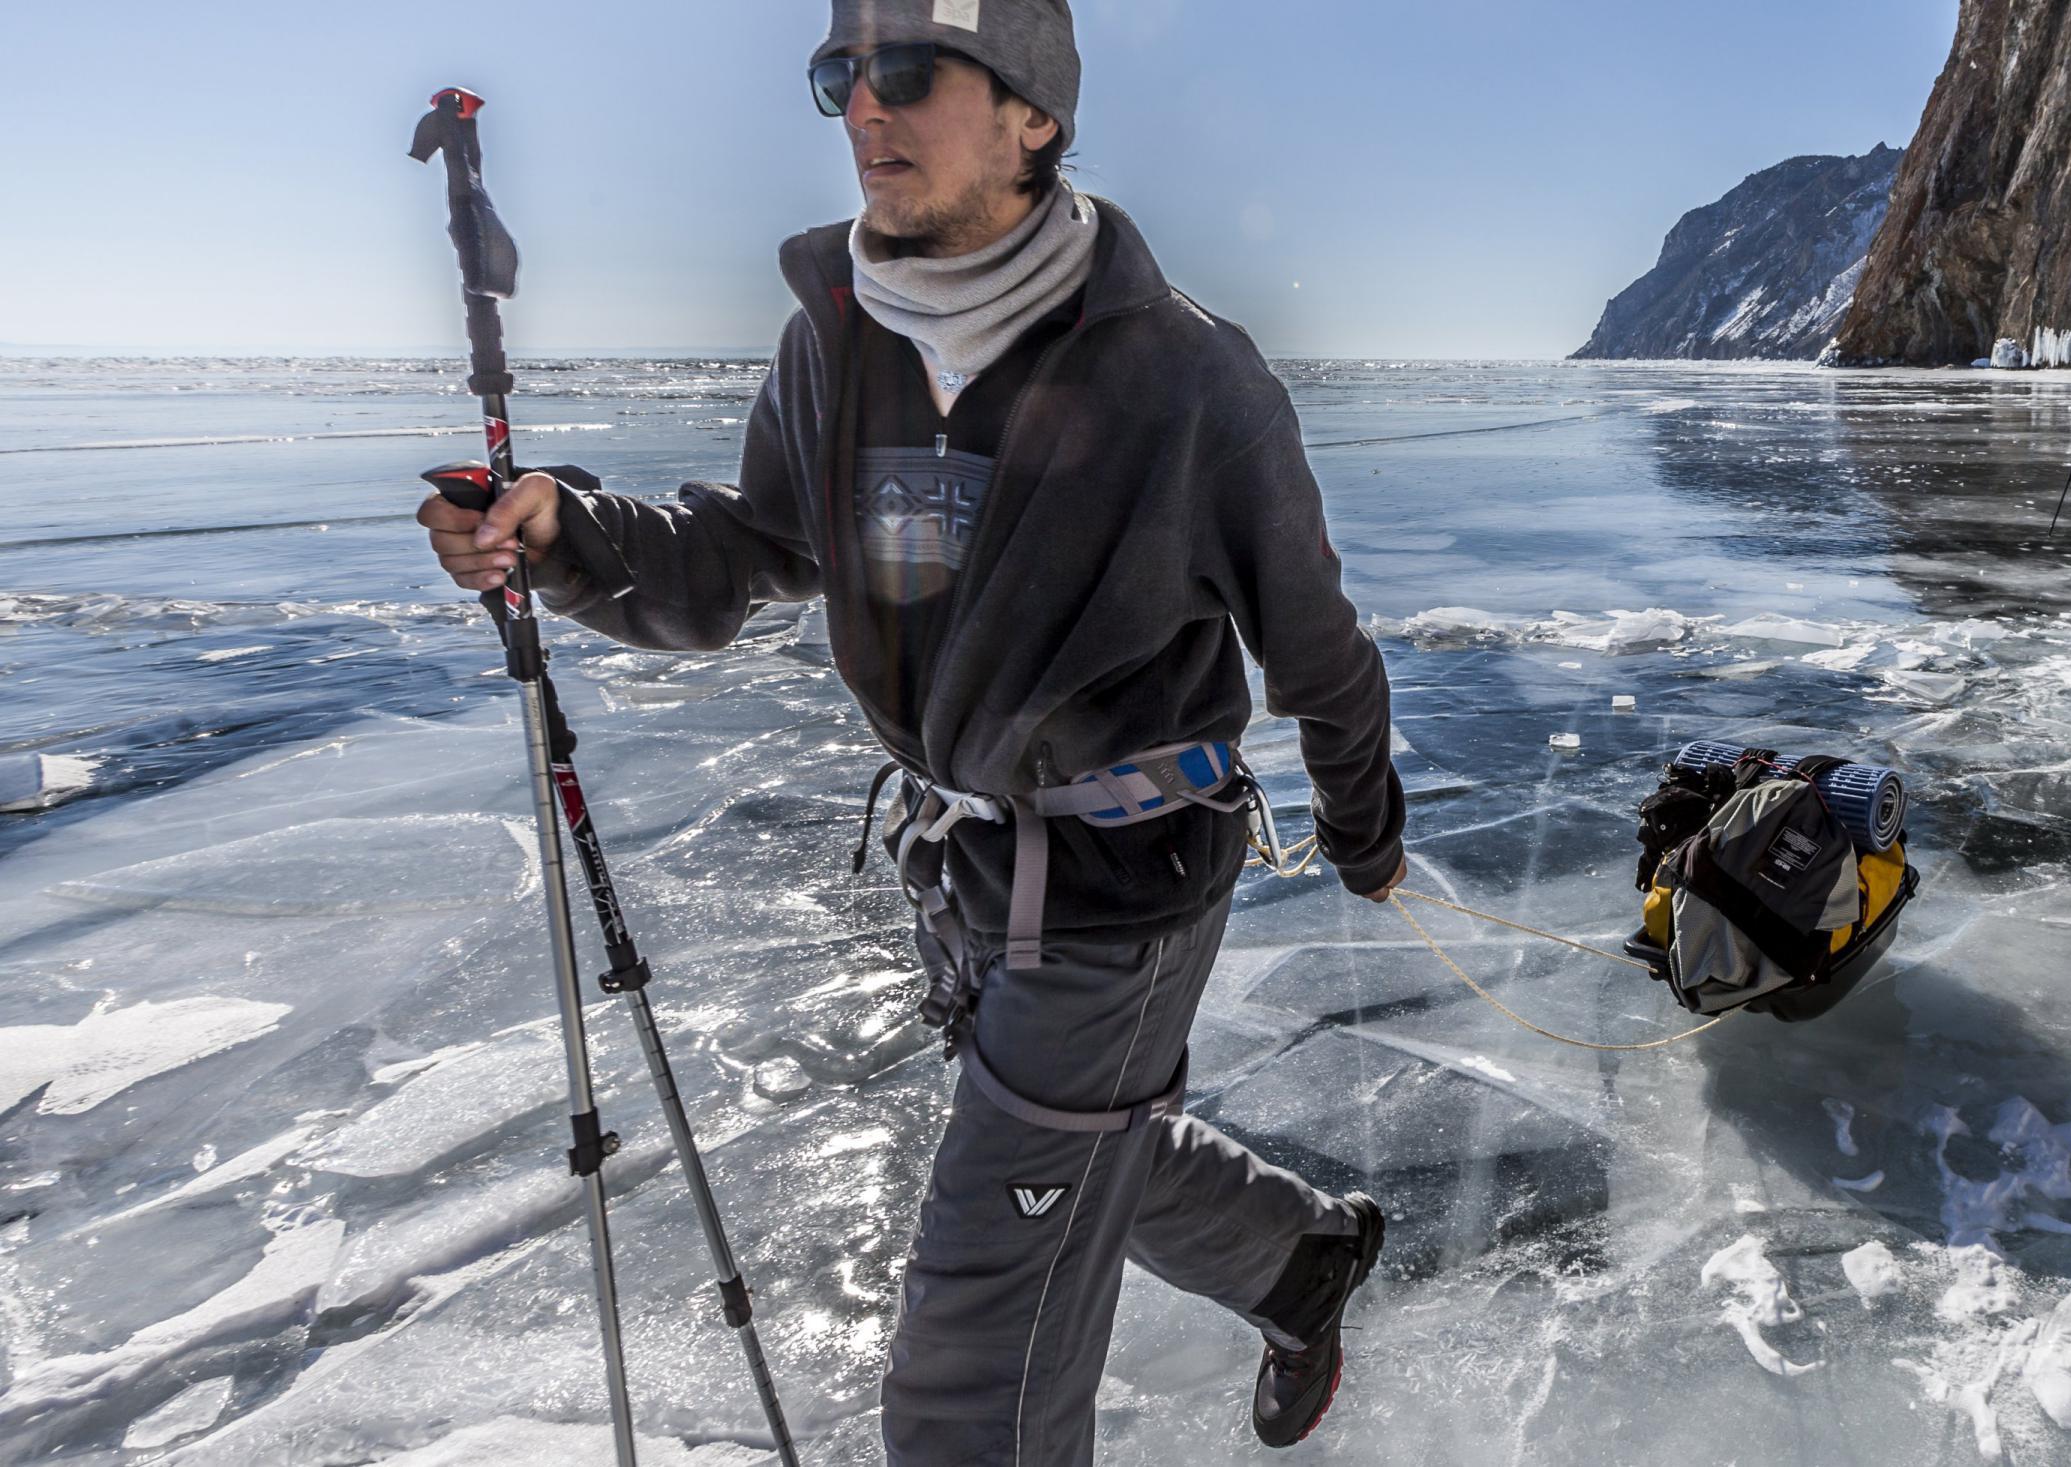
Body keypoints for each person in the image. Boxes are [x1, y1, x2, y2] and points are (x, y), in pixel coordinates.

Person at [415, 3, 1405, 1460]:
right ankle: (1294, 1257)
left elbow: (1315, 641)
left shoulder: (1188, 376)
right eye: (840, 77)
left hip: (1123, 882)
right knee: (1062, 1152)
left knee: (970, 1369)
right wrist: (567, 533)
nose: (863, 110)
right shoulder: (833, 344)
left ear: (1033, 118)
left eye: (904, 74)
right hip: (961, 865)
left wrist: (1364, 830)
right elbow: (742, 550)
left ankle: (1276, 1262)